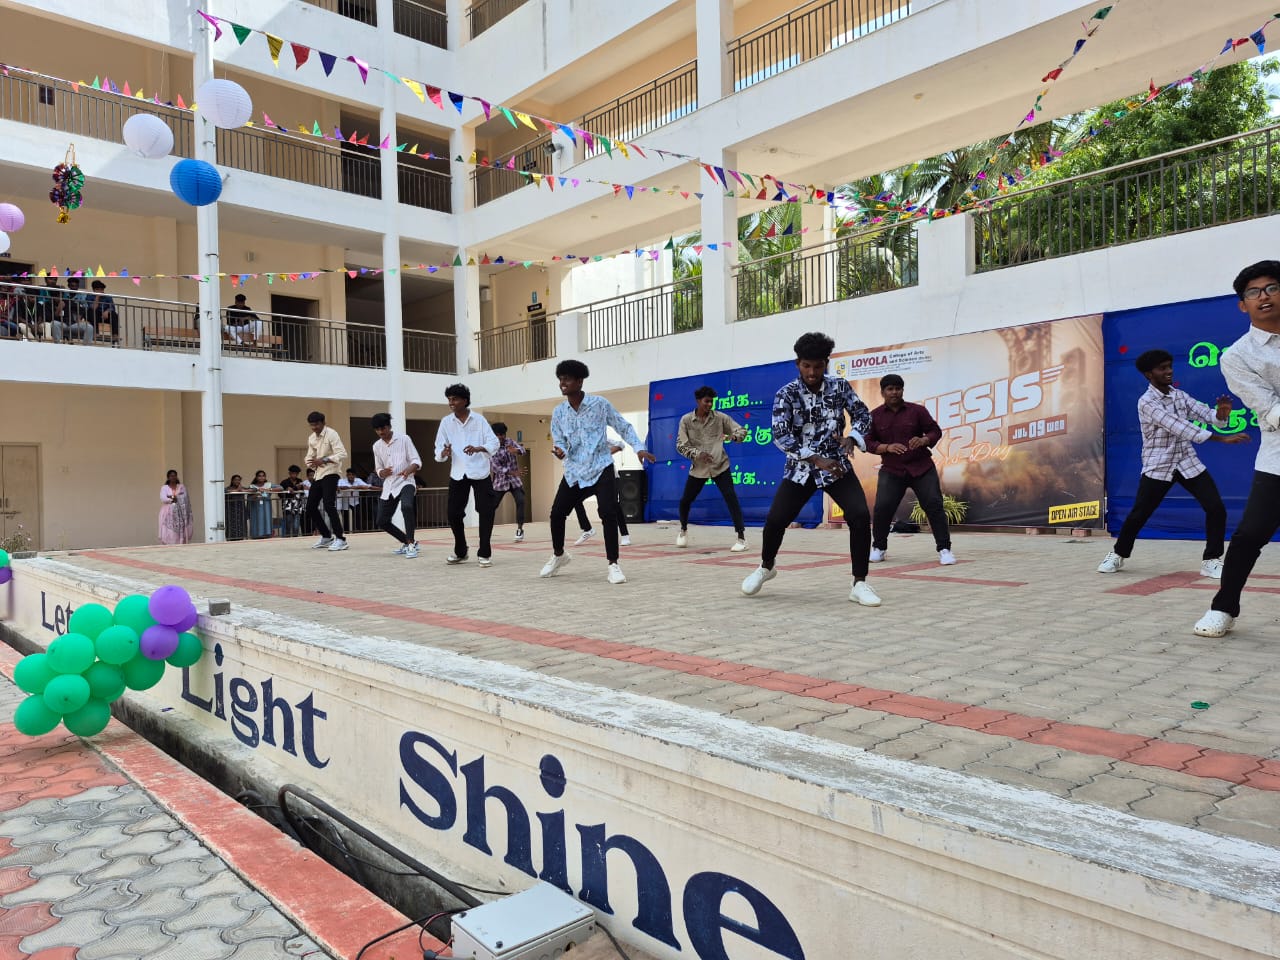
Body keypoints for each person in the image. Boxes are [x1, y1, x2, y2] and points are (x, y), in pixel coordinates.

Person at [742, 332, 880, 606]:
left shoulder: (839, 386)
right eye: (806, 366)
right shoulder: (786, 394)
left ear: (826, 363)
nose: (812, 372)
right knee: (776, 520)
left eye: (818, 366)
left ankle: (859, 583)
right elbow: (781, 435)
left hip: (837, 467)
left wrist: (853, 438)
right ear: (798, 364)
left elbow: (863, 414)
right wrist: (816, 459)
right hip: (801, 469)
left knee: (859, 516)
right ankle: (767, 566)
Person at [1099, 350, 1245, 579]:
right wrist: (1221, 439)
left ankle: (1211, 560)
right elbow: (1178, 426)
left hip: (1187, 461)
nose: (1168, 371)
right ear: (1149, 374)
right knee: (1139, 514)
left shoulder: (1180, 396)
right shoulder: (1146, 402)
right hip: (1159, 464)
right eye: (1162, 368)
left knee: (1216, 508)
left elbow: (1205, 414)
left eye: (1169, 366)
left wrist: (1220, 415)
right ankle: (1118, 554)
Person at [1194, 261, 1280, 637]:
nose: (1264, 296)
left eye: (1272, 288)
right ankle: (1223, 607)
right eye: (1253, 292)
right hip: (1278, 459)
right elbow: (1270, 410)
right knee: (1250, 535)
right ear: (1243, 305)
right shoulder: (1237, 356)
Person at [540, 359, 654, 584]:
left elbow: (623, 426)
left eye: (567, 379)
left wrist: (638, 448)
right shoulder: (559, 412)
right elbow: (559, 440)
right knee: (557, 513)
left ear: (579, 381)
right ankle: (559, 555)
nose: (562, 383)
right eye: (560, 379)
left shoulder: (599, 404)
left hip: (601, 467)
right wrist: (560, 451)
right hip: (575, 471)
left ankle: (613, 565)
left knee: (608, 513)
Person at [865, 374, 955, 566]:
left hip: (921, 467)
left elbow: (935, 431)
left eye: (898, 389)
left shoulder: (917, 411)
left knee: (934, 505)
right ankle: (879, 548)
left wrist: (924, 440)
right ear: (882, 392)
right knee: (882, 508)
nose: (894, 392)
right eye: (890, 389)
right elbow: (867, 442)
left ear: (902, 390)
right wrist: (887, 447)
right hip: (892, 469)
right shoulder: (874, 416)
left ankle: (945, 550)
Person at [675, 386, 748, 552]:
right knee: (685, 501)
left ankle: (741, 538)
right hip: (698, 468)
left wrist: (734, 436)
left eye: (711, 402)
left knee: (731, 498)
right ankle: (683, 530)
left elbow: (741, 430)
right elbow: (680, 445)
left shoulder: (720, 418)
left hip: (720, 465)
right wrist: (697, 454)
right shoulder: (686, 420)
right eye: (706, 401)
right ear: (698, 401)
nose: (709, 404)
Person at [434, 383, 499, 566]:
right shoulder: (446, 422)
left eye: (454, 399)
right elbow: (438, 448)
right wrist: (443, 453)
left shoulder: (479, 420)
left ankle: (484, 552)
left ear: (465, 400)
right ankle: (461, 551)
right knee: (453, 514)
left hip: (480, 472)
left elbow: (494, 443)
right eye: (449, 399)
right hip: (458, 473)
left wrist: (479, 448)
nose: (451, 402)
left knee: (486, 511)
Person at [372, 412, 423, 558]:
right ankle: (407, 542)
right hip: (389, 485)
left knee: (407, 506)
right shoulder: (376, 446)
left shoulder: (404, 439)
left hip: (406, 481)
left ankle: (411, 544)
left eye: (383, 428)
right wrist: (382, 472)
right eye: (377, 430)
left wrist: (408, 470)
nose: (381, 432)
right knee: (382, 521)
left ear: (389, 426)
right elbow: (378, 468)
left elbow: (416, 460)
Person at [305, 410, 348, 551]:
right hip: (318, 474)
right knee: (310, 506)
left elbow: (342, 453)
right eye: (312, 425)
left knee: (329, 504)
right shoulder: (311, 438)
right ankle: (326, 536)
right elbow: (309, 456)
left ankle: (341, 539)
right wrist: (310, 463)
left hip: (331, 472)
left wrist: (324, 459)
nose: (314, 427)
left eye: (316, 424)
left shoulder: (332, 434)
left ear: (323, 423)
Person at [572, 442, 630, 545]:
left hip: (610, 478)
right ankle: (587, 529)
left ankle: (625, 535)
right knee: (575, 499)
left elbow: (620, 444)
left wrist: (602, 455)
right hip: (592, 480)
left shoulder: (602, 437)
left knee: (613, 505)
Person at [490, 422, 528, 542]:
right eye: (497, 435)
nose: (500, 437)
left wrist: (516, 451)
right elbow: (495, 467)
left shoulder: (510, 442)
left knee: (521, 501)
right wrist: (512, 472)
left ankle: (520, 529)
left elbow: (523, 450)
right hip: (500, 482)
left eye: (502, 434)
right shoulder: (491, 447)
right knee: (491, 506)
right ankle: (487, 530)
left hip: (514, 481)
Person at [158, 469, 193, 545]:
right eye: (171, 476)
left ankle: (180, 543)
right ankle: (169, 543)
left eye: (175, 475)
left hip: (180, 512)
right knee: (168, 529)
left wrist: (171, 496)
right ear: (168, 477)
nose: (173, 477)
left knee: (180, 529)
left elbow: (185, 497)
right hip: (168, 512)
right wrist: (173, 498)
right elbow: (163, 498)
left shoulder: (181, 487)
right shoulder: (164, 487)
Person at [87, 279, 119, 345]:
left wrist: (107, 311)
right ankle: (96, 332)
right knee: (92, 311)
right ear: (94, 290)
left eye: (102, 289)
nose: (101, 291)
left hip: (105, 316)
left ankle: (115, 335)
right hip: (94, 317)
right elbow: (93, 308)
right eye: (99, 289)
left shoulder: (108, 297)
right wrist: (97, 297)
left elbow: (112, 307)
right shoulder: (89, 296)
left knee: (114, 314)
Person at [248, 469, 278, 539]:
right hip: (256, 507)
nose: (261, 477)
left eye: (263, 476)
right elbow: (249, 498)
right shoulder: (252, 486)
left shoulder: (268, 485)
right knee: (256, 520)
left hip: (266, 506)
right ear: (256, 477)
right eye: (259, 476)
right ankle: (256, 535)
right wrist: (257, 494)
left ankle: (267, 534)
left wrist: (268, 489)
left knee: (267, 519)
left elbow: (281, 488)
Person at [278, 465, 306, 538]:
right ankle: (287, 538)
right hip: (287, 506)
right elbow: (280, 494)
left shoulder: (300, 481)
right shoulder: (284, 482)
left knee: (296, 525)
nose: (294, 475)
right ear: (289, 473)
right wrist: (288, 490)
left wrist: (301, 488)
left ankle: (295, 538)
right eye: (293, 473)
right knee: (288, 523)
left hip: (298, 506)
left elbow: (302, 493)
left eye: (296, 473)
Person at [224, 474, 248, 541]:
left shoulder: (242, 488)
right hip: (231, 511)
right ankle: (230, 538)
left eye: (239, 480)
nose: (237, 481)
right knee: (231, 524)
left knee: (241, 524)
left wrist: (242, 490)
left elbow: (253, 490)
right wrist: (237, 490)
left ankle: (241, 538)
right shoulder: (228, 488)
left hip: (240, 510)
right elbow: (225, 491)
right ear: (232, 481)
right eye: (235, 480)